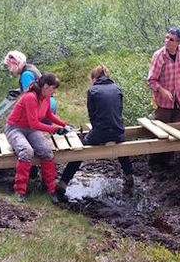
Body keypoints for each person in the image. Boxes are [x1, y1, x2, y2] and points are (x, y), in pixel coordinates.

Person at [56, 65, 134, 196]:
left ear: (94, 78)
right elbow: (119, 112)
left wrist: (98, 133)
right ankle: (129, 176)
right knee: (121, 148)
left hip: (100, 133)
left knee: (80, 151)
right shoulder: (117, 88)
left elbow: (92, 115)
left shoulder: (92, 91)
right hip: (119, 132)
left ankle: (63, 182)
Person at [5, 73, 69, 202]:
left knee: (46, 152)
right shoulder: (30, 97)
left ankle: (50, 189)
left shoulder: (45, 97)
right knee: (26, 151)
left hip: (31, 130)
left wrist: (64, 124)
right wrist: (55, 129)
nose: (54, 91)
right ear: (46, 86)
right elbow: (34, 123)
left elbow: (49, 115)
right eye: (53, 88)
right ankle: (20, 191)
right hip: (15, 128)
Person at [146, 26, 180, 166]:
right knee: (160, 133)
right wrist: (162, 90)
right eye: (166, 38)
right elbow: (151, 80)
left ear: (178, 43)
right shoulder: (159, 56)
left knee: (177, 131)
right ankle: (155, 163)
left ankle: (171, 162)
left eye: (171, 39)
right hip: (163, 103)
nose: (167, 41)